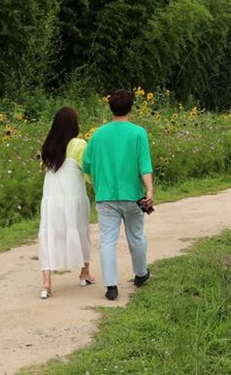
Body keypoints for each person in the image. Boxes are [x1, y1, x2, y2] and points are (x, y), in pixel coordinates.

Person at [82, 89, 154, 301]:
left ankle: (111, 286)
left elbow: (86, 164)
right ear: (131, 108)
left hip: (106, 195)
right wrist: (149, 189)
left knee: (107, 241)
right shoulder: (138, 133)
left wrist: (97, 177)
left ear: (110, 107)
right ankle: (141, 273)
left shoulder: (98, 134)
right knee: (137, 235)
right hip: (133, 195)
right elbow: (144, 165)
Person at [37, 106, 94, 299]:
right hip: (74, 197)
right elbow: (87, 172)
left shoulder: (47, 147)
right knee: (81, 231)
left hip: (51, 199)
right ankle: (84, 272)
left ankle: (46, 283)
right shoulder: (78, 145)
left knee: (49, 235)